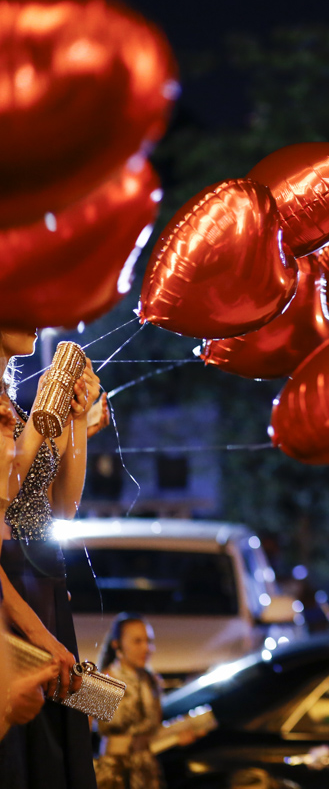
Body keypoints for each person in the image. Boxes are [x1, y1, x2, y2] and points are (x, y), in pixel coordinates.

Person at [0, 327, 99, 789]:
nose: (37, 322)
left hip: (47, 577)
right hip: (13, 580)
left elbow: (62, 506)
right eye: (23, 309)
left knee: (67, 726)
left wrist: (75, 418)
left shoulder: (12, 405)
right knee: (27, 737)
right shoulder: (14, 414)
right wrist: (45, 412)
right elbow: (8, 489)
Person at [94, 614, 183, 789]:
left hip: (146, 772)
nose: (146, 648)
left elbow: (154, 731)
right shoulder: (105, 680)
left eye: (149, 641)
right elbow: (82, 731)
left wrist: (177, 736)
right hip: (113, 774)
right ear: (117, 644)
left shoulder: (152, 681)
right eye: (137, 641)